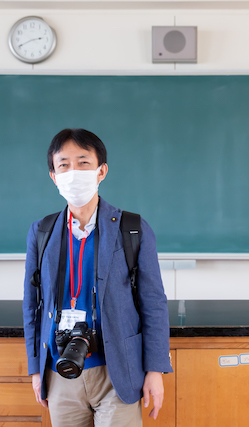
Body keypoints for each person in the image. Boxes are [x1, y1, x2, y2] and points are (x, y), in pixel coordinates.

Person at [23, 128, 172, 427]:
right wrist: (36, 369)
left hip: (117, 372)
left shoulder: (132, 229)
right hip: (60, 370)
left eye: (83, 162)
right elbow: (32, 306)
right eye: (63, 164)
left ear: (101, 170)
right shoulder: (42, 232)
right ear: (53, 175)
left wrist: (154, 370)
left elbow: (153, 303)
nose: (73, 171)